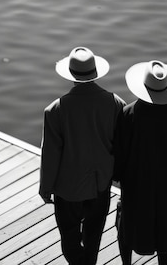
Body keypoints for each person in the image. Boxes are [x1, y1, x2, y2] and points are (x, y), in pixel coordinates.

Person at [39, 47, 126, 265]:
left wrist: (45, 187)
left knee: (69, 235)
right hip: (100, 183)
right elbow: (123, 146)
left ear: (71, 74)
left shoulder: (55, 110)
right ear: (95, 72)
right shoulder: (116, 104)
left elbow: (50, 154)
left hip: (67, 188)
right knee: (94, 235)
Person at [113, 60, 167, 265]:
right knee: (166, 231)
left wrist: (117, 175)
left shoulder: (128, 113)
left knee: (126, 226)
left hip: (136, 183)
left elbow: (119, 154)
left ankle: (126, 264)